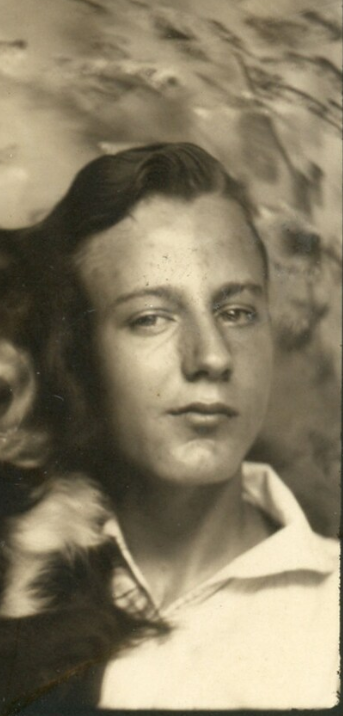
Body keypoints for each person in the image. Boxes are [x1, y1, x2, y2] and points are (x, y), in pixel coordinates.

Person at [34, 142, 339, 710]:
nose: (213, 356)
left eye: (237, 312)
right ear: (72, 353)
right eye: (151, 317)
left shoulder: (332, 605)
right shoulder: (2, 593)